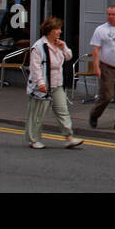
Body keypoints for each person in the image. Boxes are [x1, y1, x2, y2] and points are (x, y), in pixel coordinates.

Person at [25, 16, 83, 149]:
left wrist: (63, 47)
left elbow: (69, 57)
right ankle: (34, 140)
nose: (60, 31)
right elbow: (35, 67)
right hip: (43, 85)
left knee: (63, 111)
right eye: (57, 29)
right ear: (50, 31)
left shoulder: (58, 44)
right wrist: (40, 83)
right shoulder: (38, 47)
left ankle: (69, 137)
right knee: (38, 114)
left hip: (57, 84)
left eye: (59, 29)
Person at [88, 5, 115, 131]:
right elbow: (96, 50)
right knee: (106, 95)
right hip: (107, 68)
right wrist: (96, 67)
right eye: (108, 14)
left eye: (113, 14)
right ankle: (94, 114)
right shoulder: (100, 30)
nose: (110, 17)